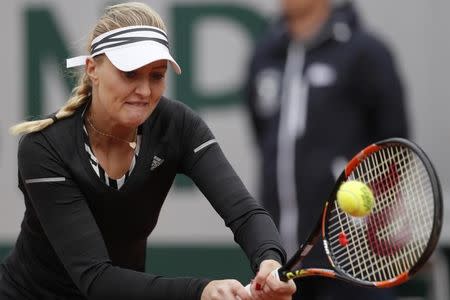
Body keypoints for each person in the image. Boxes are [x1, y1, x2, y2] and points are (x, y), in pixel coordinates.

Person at [0, 2, 297, 299]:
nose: (144, 90)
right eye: (130, 73)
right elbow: (95, 279)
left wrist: (269, 260)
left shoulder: (178, 126)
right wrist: (201, 292)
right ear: (93, 69)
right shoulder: (44, 147)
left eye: (156, 75)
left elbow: (244, 212)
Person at [244, 0, 408, 299]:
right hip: (281, 259)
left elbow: (393, 145)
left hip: (353, 254)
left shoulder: (366, 53)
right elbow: (263, 135)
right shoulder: (264, 54)